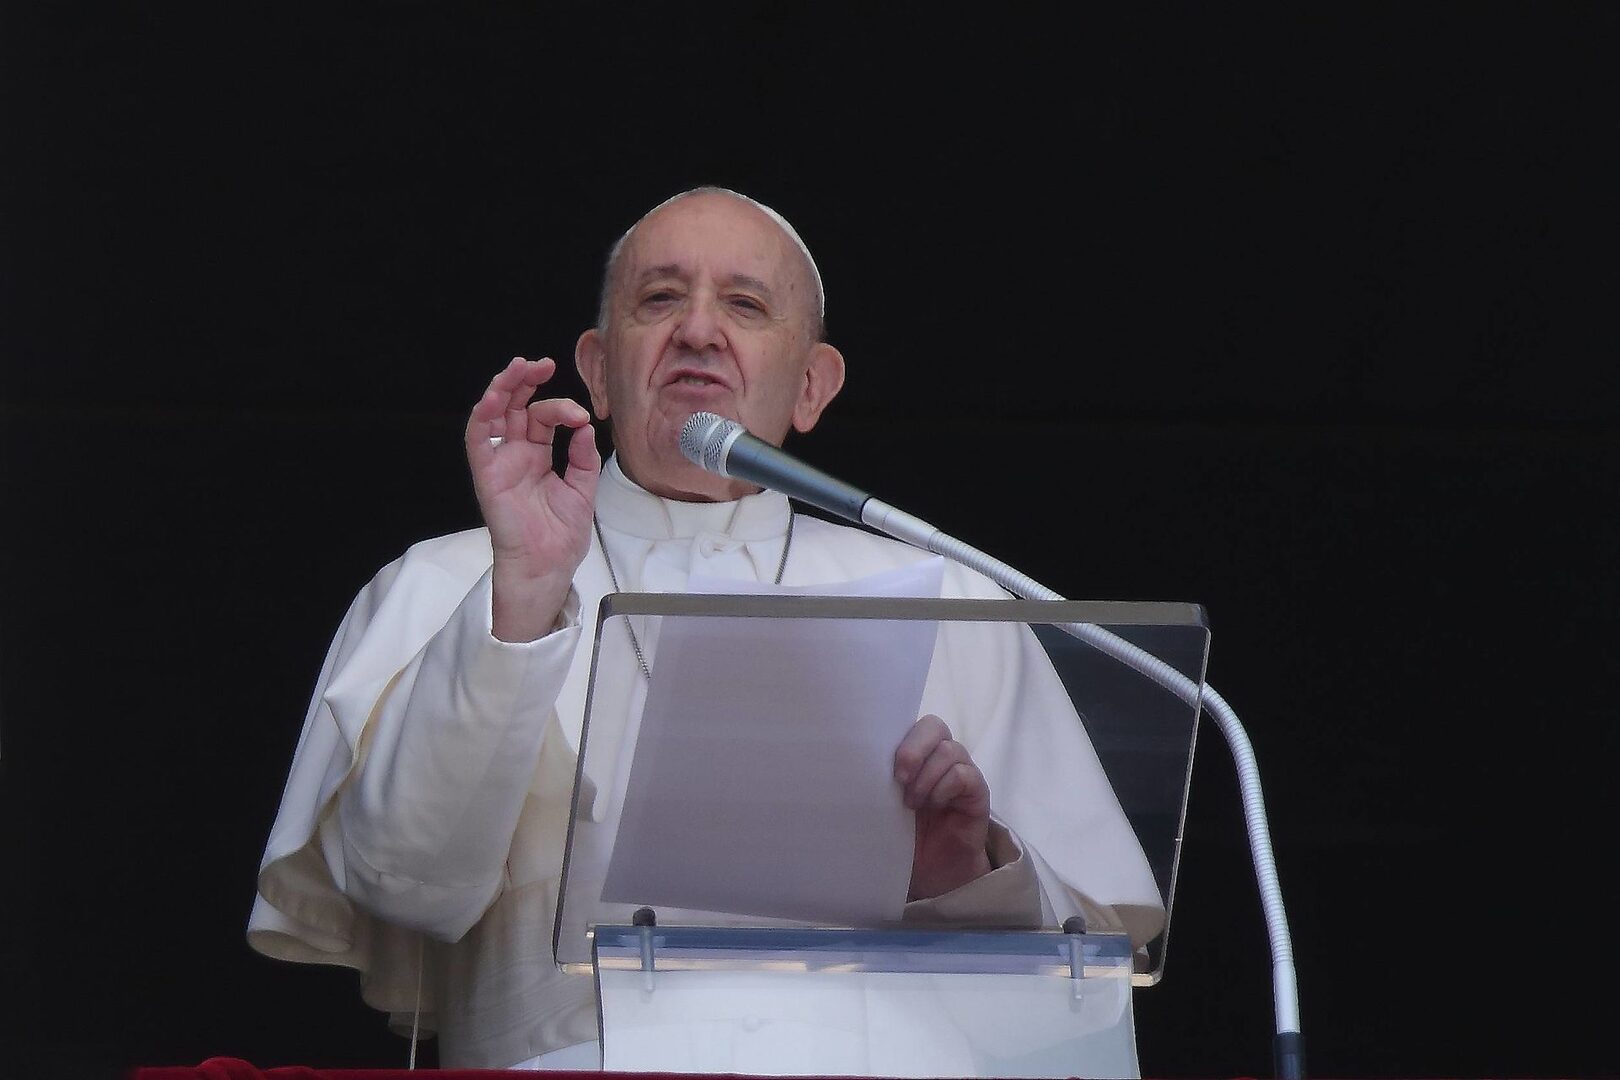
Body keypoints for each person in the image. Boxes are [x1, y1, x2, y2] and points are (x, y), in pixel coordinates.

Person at [247, 187, 1165, 1070]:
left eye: (745, 304)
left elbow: (1081, 1001)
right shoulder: (453, 582)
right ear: (597, 371)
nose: (697, 330)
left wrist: (963, 878)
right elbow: (404, 886)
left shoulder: (952, 599)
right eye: (659, 299)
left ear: (811, 387)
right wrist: (521, 600)